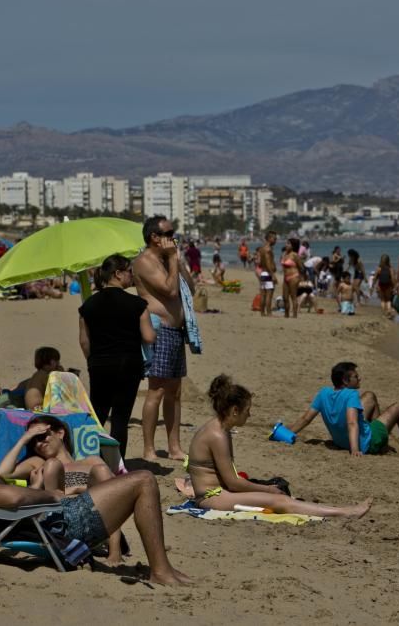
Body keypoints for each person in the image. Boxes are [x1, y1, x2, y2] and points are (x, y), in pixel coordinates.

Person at [0, 417, 192, 585]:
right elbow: (13, 497)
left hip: (55, 518)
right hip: (63, 523)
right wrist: (50, 494)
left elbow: (4, 493)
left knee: (127, 478)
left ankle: (158, 566)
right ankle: (160, 570)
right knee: (143, 480)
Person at [187, 375, 372, 517]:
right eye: (247, 411)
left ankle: (339, 510)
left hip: (217, 493)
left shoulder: (220, 428)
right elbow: (232, 482)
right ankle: (345, 512)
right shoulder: (218, 434)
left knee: (276, 492)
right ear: (235, 411)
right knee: (279, 500)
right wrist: (267, 490)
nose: (249, 415)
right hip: (212, 498)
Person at [0, 416, 124, 565]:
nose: (38, 443)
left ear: (60, 433)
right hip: (61, 523)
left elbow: (118, 495)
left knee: (101, 470)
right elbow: (2, 473)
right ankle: (61, 542)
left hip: (93, 521)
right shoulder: (38, 463)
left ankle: (115, 552)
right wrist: (24, 438)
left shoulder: (91, 462)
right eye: (33, 441)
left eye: (42, 436)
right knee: (52, 465)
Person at [79, 254, 157, 457]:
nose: (132, 275)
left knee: (98, 414)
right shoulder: (137, 304)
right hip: (128, 365)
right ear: (118, 273)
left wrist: (92, 360)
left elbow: (84, 341)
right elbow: (148, 337)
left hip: (99, 365)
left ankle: (88, 456)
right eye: (129, 271)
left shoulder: (88, 305)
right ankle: (117, 463)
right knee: (121, 418)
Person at [132, 216, 196, 461]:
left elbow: (188, 288)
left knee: (175, 391)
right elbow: (169, 290)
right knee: (156, 390)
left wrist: (178, 263)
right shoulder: (145, 261)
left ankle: (174, 446)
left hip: (176, 332)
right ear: (154, 238)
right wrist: (171, 259)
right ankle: (149, 449)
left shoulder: (167, 259)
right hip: (160, 332)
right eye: (169, 233)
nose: (174, 237)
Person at [287, 362, 399, 460]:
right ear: (345, 380)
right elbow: (352, 423)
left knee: (370, 396)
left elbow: (305, 419)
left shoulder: (323, 393)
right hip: (366, 444)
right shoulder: (351, 395)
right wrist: (355, 450)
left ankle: (383, 442)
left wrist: (288, 433)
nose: (359, 378)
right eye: (356, 376)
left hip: (341, 441)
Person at [255, 231, 278, 317]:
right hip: (268, 273)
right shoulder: (268, 249)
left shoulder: (261, 249)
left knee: (263, 294)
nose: (276, 241)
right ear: (269, 239)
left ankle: (262, 312)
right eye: (274, 239)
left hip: (263, 273)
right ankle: (269, 313)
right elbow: (268, 262)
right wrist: (273, 274)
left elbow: (260, 263)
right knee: (269, 294)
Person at [280, 238, 303, 319]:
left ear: (293, 246)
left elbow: (301, 267)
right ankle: (286, 315)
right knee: (285, 297)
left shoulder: (295, 255)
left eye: (288, 244)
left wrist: (300, 278)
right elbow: (282, 264)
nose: (286, 245)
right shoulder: (285, 254)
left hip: (294, 277)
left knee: (293, 297)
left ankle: (294, 315)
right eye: (286, 243)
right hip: (285, 277)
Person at [372, 254, 397, 318]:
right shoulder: (391, 269)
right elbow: (393, 279)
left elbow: (375, 278)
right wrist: (395, 287)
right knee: (388, 300)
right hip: (388, 286)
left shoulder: (379, 269)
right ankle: (389, 313)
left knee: (383, 300)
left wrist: (373, 286)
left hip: (381, 285)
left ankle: (384, 314)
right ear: (388, 260)